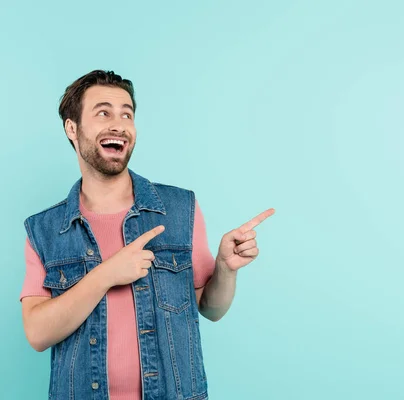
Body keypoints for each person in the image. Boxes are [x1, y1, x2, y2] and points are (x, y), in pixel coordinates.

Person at [20, 70, 275, 400]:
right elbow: (37, 333)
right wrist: (107, 275)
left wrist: (225, 268)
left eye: (127, 113)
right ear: (72, 128)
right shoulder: (44, 229)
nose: (119, 124)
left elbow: (211, 309)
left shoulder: (180, 209)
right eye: (103, 112)